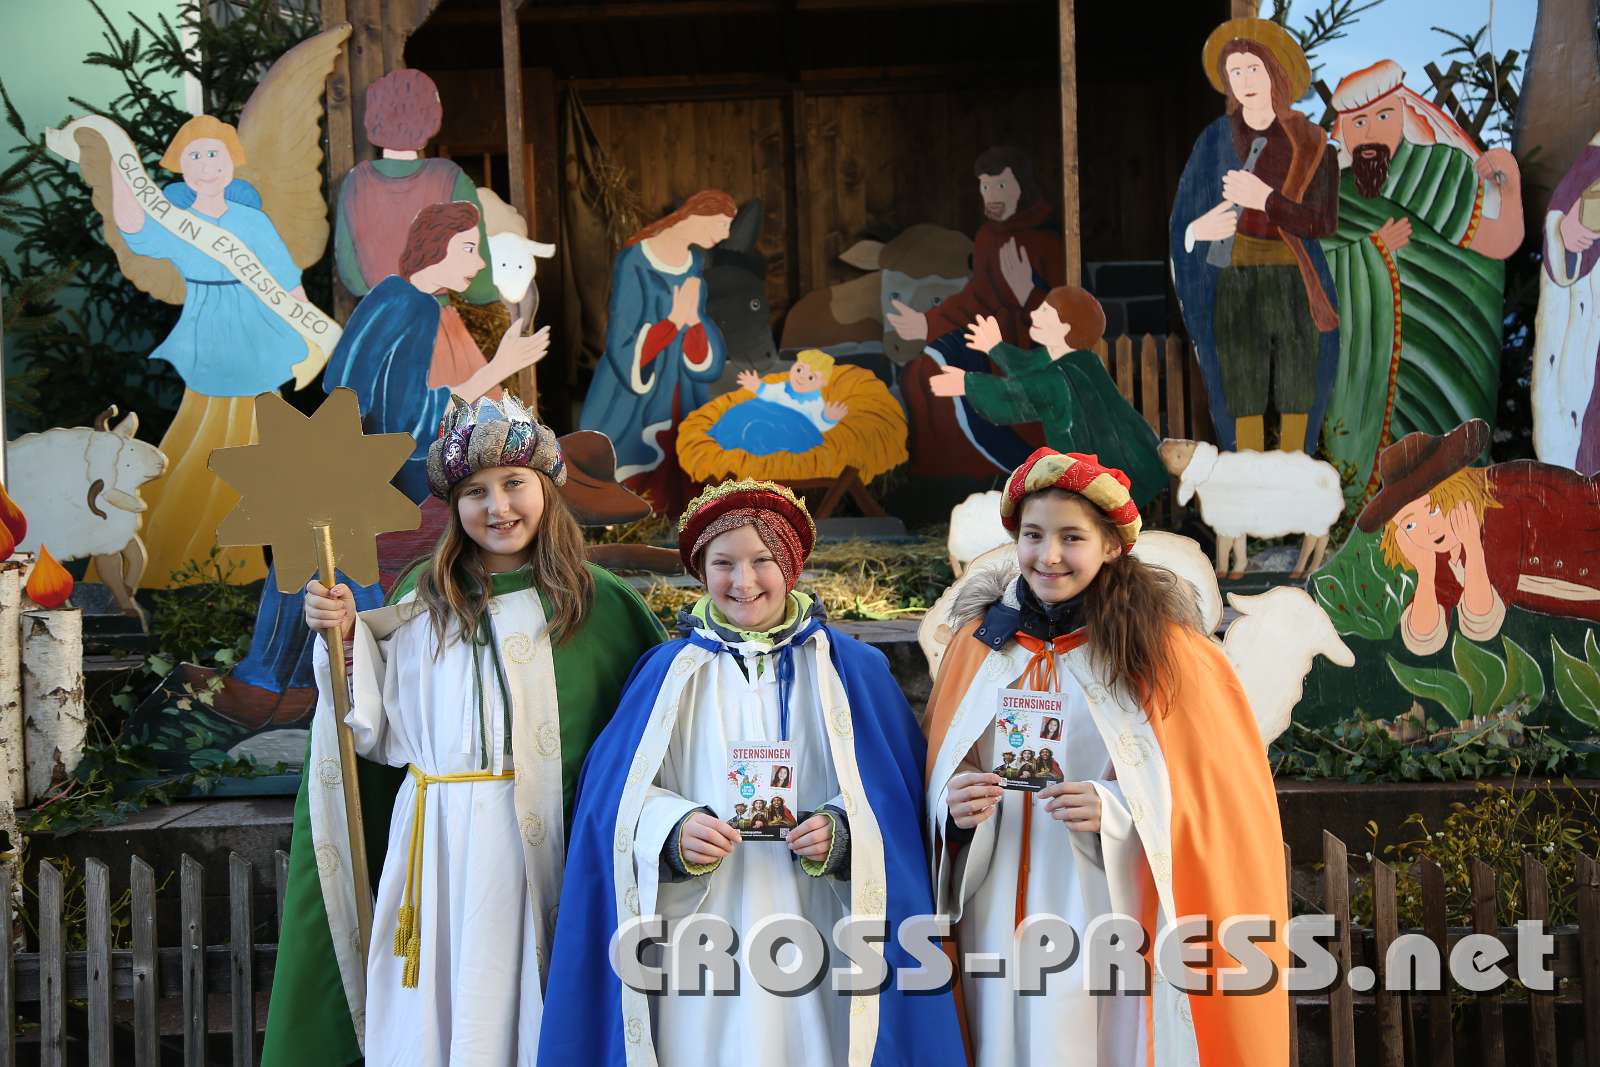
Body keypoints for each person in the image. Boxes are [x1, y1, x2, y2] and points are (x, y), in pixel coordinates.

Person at [260, 395, 666, 1067]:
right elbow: (380, 731)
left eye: (514, 482)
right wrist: (345, 638)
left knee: (532, 1010)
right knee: (438, 1016)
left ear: (547, 487)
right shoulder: (426, 596)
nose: (498, 506)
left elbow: (650, 739)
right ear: (453, 506)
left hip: (545, 851)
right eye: (475, 491)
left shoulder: (599, 603)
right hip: (437, 845)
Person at [540, 479, 964, 1066]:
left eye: (762, 560)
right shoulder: (667, 674)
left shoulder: (853, 670)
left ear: (790, 564)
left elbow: (895, 796)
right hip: (703, 926)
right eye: (723, 564)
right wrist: (671, 829)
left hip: (820, 918)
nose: (743, 581)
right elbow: (612, 800)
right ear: (700, 570)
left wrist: (842, 831)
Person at [923, 448, 1289, 1065]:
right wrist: (951, 807)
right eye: (1033, 535)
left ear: (1112, 545)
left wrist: (1115, 807)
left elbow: (1216, 803)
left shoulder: (1166, 653)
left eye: (1072, 537)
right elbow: (942, 768)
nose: (1049, 555)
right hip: (994, 904)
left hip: (1107, 905)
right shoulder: (978, 646)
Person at [229, 201, 548, 702]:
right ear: (436, 248)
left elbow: (350, 389)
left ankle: (298, 676)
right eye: (469, 248)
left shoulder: (390, 295)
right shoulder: (415, 307)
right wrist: (497, 369)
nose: (479, 262)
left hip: (348, 463)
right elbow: (407, 423)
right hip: (386, 474)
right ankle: (389, 669)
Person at [107, 115, 315, 588]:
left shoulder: (252, 221)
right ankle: (177, 551)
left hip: (258, 334)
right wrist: (121, 166)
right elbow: (136, 230)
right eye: (195, 155)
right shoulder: (178, 221)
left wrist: (312, 331)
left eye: (214, 154)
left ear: (231, 161)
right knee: (203, 436)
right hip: (210, 334)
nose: (206, 164)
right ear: (181, 165)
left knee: (267, 439)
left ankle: (261, 560)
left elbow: (287, 281)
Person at [1320, 59, 1522, 508]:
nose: (1370, 132)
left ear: (1406, 115)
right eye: (1358, 122)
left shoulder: (1440, 170)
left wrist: (1510, 188)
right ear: (1342, 130)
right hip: (1366, 362)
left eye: (1383, 116)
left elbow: (1496, 243)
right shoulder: (1336, 196)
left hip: (1448, 347)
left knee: (1445, 457)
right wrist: (1372, 250)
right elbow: (1314, 267)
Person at [1171, 17, 1341, 456]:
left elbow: (1322, 221)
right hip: (1236, 276)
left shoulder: (1311, 143)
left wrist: (1266, 200)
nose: (1245, 80)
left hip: (1293, 278)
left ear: (1275, 73)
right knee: (1240, 380)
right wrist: (1197, 231)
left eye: (1254, 69)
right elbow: (1186, 215)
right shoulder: (1215, 141)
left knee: (1297, 380)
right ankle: (1245, 470)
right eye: (1235, 71)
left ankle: (1295, 468)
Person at [1355, 419, 1600, 655]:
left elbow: (1483, 618)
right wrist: (1426, 574)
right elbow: (1424, 636)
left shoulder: (1497, 505)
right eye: (1410, 524)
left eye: (1434, 509)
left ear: (1454, 491)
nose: (1427, 530)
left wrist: (1473, 547)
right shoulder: (1447, 550)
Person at [891, 146, 1068, 473]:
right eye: (986, 187)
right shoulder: (988, 236)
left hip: (1028, 350)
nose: (992, 196)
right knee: (920, 372)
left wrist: (1028, 293)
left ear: (1022, 187)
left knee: (955, 381)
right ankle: (940, 476)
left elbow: (1067, 310)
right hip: (987, 335)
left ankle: (999, 471)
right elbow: (977, 297)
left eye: (1000, 185)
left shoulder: (1051, 240)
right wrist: (925, 323)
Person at [928, 287, 1169, 507]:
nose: (1034, 315)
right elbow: (1031, 365)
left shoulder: (1060, 378)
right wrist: (996, 348)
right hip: (1119, 471)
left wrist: (967, 384)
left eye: (1045, 312)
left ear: (1065, 328)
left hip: (1103, 477)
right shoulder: (1082, 358)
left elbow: (1021, 395)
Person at [578, 190, 735, 513]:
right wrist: (671, 324)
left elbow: (697, 322)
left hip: (680, 380)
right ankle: (636, 516)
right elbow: (623, 332)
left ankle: (683, 515)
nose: (725, 235)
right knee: (635, 451)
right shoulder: (635, 260)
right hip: (641, 378)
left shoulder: (694, 264)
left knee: (686, 449)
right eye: (722, 224)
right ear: (699, 214)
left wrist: (692, 324)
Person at [332, 68, 497, 305]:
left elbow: (350, 270)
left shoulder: (356, 180)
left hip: (379, 313)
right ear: (432, 118)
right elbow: (478, 279)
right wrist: (488, 296)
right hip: (433, 313)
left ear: (373, 118)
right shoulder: (448, 176)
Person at [710, 349, 849, 456]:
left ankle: (752, 447)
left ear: (823, 383)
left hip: (791, 428)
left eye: (811, 377)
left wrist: (828, 419)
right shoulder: (783, 387)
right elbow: (769, 393)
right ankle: (725, 438)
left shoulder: (815, 402)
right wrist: (757, 386)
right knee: (742, 411)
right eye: (799, 370)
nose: (801, 377)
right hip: (768, 413)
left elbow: (817, 426)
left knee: (765, 431)